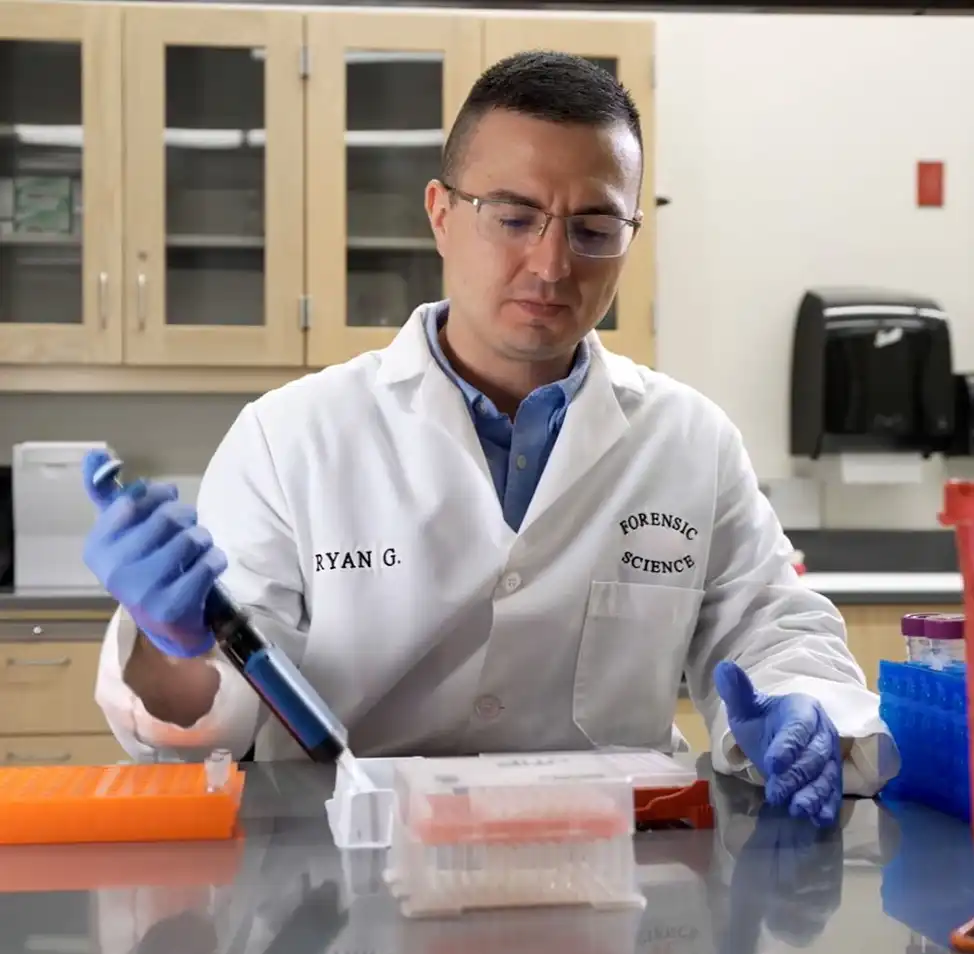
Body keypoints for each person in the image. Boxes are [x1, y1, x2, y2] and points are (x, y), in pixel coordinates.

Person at [82, 50, 898, 828]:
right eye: (514, 217)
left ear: (629, 239)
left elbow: (769, 624)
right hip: (356, 880)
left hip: (616, 876)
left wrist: (804, 707)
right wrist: (168, 645)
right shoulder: (290, 436)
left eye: (593, 228)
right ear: (441, 215)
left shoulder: (689, 439)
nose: (550, 265)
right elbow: (212, 716)